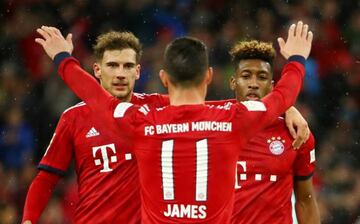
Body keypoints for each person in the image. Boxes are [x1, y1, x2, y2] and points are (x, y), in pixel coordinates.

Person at [35, 21, 313, 223]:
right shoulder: (233, 121)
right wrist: (297, 61)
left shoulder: (141, 121)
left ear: (164, 79)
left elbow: (94, 96)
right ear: (209, 77)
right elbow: (281, 93)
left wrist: (63, 58)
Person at [22, 31, 169, 224]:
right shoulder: (73, 117)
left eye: (128, 66)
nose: (120, 74)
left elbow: (199, 105)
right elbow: (47, 178)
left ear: (138, 71)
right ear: (97, 70)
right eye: (112, 65)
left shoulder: (158, 108)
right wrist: (28, 220)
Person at [229, 40, 320, 223]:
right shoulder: (213, 123)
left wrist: (286, 107)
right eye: (246, 76)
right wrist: (287, 107)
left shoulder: (295, 133)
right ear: (233, 82)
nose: (253, 84)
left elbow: (305, 201)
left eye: (261, 77)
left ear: (272, 86)